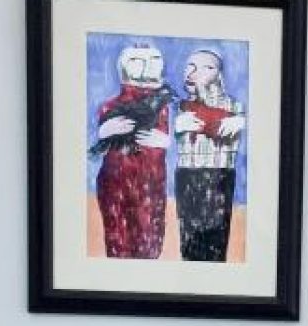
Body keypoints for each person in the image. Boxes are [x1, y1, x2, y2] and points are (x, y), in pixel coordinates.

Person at [92, 43, 175, 259]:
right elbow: (100, 147)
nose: (148, 64)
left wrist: (165, 142)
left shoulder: (163, 108)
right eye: (138, 60)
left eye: (154, 59)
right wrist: (104, 132)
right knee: (118, 237)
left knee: (149, 238)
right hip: (116, 182)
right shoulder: (108, 107)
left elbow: (165, 141)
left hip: (151, 184)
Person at [173, 49, 246, 262]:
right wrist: (175, 126)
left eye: (207, 67)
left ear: (218, 75)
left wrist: (241, 122)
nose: (193, 72)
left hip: (221, 175)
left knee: (216, 239)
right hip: (187, 175)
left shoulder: (235, 107)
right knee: (189, 241)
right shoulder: (179, 107)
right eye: (190, 66)